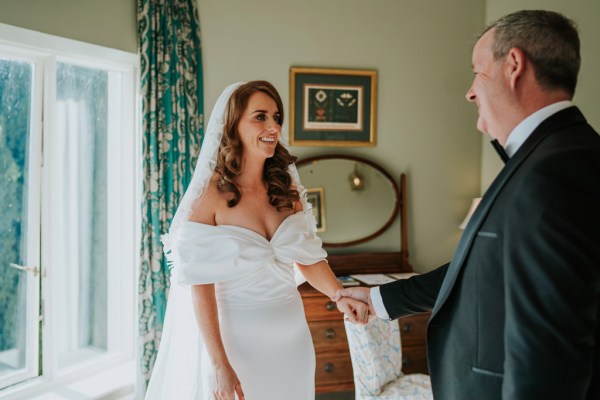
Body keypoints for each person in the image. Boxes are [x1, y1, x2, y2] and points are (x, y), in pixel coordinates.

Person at [334, 10, 600, 400]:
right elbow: (482, 271)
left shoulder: (556, 170)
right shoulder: (550, 155)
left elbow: (551, 352)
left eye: (478, 71)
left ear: (514, 65)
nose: (470, 92)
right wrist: (377, 299)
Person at [144, 81, 369, 400]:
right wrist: (219, 363)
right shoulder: (212, 195)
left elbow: (308, 260)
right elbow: (200, 286)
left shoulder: (286, 189)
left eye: (276, 117)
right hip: (239, 346)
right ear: (233, 125)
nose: (273, 126)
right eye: (260, 116)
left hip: (294, 342)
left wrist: (338, 293)